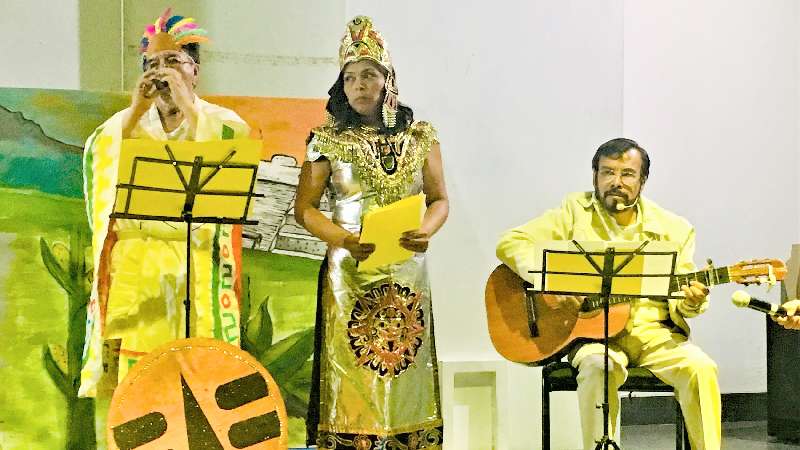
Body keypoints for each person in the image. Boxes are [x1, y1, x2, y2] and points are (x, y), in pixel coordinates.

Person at [496, 138, 721, 450]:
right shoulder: (573, 212)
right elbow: (511, 241)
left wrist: (693, 301)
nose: (616, 182)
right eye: (607, 173)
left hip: (654, 335)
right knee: (599, 367)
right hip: (592, 337)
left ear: (642, 181)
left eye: (627, 174)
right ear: (594, 177)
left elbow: (683, 296)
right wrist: (547, 281)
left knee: (701, 368)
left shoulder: (675, 228)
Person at [295, 16, 449, 449]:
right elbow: (303, 209)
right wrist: (343, 239)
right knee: (354, 370)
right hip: (350, 272)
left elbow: (440, 199)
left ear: (388, 79)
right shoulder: (326, 139)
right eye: (350, 77)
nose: (359, 85)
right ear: (341, 86)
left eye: (369, 74)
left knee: (405, 366)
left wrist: (426, 230)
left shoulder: (422, 137)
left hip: (407, 271)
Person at [79, 9, 250, 397]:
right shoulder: (122, 125)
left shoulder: (223, 122)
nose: (162, 72)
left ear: (195, 70)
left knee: (201, 391)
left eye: (173, 61)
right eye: (152, 64)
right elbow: (99, 159)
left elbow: (232, 154)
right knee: (144, 392)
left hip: (198, 268)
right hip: (142, 272)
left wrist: (189, 109)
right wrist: (137, 110)